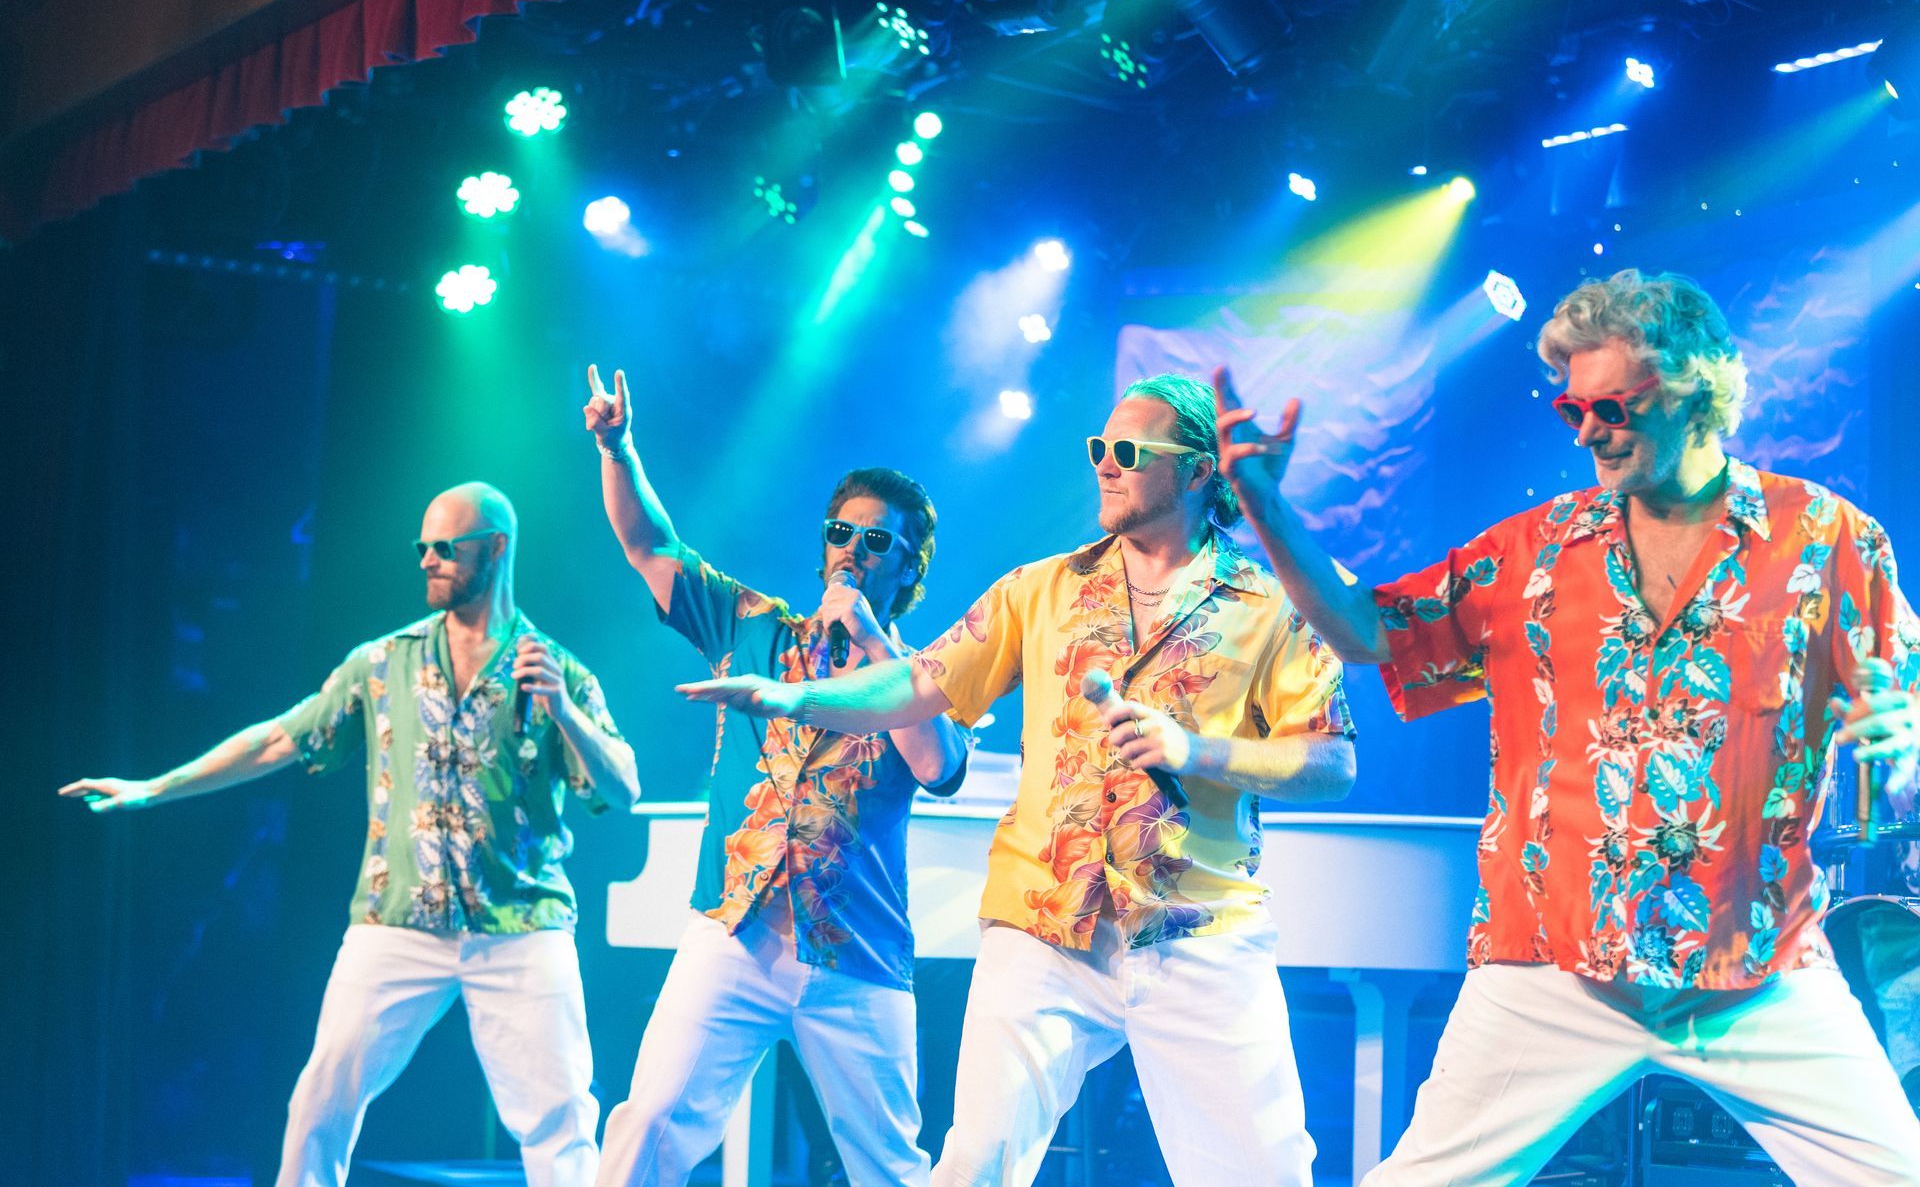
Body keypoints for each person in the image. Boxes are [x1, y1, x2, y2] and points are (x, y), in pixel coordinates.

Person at [1213, 268, 1920, 1183]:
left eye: (1613, 409)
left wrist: (1904, 731)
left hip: (1756, 968)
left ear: (1693, 393)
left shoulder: (1827, 539)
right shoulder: (1535, 551)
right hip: (1549, 966)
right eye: (1571, 410)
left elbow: (1897, 698)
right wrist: (1265, 502)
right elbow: (1368, 630)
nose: (1589, 432)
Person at [680, 371, 1357, 1187]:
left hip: (1197, 930)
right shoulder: (1044, 588)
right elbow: (918, 682)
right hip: (1042, 921)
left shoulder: (1273, 604)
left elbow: (1331, 762)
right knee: (975, 1164)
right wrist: (796, 694)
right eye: (1097, 448)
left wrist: (1196, 750)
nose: (1104, 464)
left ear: (1199, 471)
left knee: (1265, 1175)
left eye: (1128, 451)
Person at [59, 482, 637, 1187]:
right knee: (321, 1101)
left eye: (445, 548)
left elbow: (622, 789)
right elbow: (280, 739)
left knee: (562, 1120)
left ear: (495, 549)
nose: (427, 559)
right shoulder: (382, 662)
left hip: (521, 923)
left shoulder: (555, 669)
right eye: (420, 547)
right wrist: (156, 786)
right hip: (397, 920)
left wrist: (564, 712)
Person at [581, 364, 970, 1187]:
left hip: (856, 954)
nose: (851, 551)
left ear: (910, 568)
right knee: (647, 1125)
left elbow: (939, 768)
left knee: (890, 1168)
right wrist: (619, 449)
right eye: (840, 531)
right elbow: (650, 546)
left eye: (876, 541)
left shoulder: (931, 670)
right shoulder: (753, 626)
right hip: (734, 934)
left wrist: (876, 644)